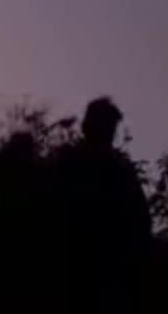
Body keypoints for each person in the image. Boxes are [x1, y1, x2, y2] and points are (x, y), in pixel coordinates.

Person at [53, 97, 151, 312]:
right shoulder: (69, 162)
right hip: (74, 263)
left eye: (110, 127)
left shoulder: (121, 170)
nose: (109, 133)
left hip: (109, 269)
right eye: (105, 125)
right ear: (89, 126)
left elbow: (141, 223)